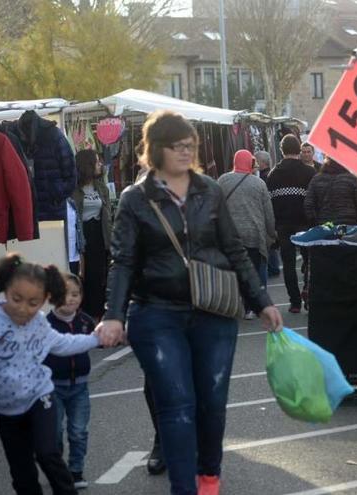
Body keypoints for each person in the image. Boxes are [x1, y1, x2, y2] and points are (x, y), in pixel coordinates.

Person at [94, 110, 283, 495]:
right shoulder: (135, 199)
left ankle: (209, 474)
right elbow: (124, 260)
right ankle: (185, 488)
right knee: (177, 406)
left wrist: (262, 300)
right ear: (155, 149)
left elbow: (233, 248)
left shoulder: (209, 190)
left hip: (213, 311)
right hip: (156, 312)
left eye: (190, 145)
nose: (185, 152)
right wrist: (113, 315)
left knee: (211, 405)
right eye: (177, 146)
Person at [0, 253, 100, 495]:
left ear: (45, 300)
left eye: (33, 303)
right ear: (5, 287)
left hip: (40, 398)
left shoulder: (38, 323)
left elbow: (61, 343)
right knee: (22, 474)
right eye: (17, 299)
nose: (23, 309)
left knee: (48, 454)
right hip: (6, 412)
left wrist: (95, 338)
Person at [45, 273, 95, 489]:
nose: (70, 299)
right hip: (52, 387)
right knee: (54, 433)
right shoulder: (45, 325)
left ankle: (75, 472)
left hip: (80, 387)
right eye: (64, 294)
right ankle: (57, 471)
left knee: (78, 430)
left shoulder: (85, 321)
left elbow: (101, 339)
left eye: (75, 294)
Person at [218, 149, 276, 320]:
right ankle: (253, 307)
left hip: (230, 234)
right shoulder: (259, 184)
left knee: (234, 271)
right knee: (255, 270)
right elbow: (268, 213)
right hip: (254, 234)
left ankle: (236, 305)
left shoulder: (222, 180)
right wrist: (271, 233)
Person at [266, 134, 316, 313]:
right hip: (305, 223)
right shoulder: (309, 173)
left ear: (281, 150)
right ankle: (308, 293)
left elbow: (269, 203)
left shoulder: (272, 174)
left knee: (288, 264)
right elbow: (314, 199)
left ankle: (295, 302)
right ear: (299, 151)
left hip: (283, 224)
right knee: (310, 261)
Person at [72, 149, 112, 319]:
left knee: (99, 277)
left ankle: (97, 316)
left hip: (99, 234)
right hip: (82, 235)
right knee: (83, 276)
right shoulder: (74, 189)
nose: (100, 164)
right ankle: (85, 315)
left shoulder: (101, 187)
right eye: (96, 162)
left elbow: (107, 214)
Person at [304, 157, 357, 226]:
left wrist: (315, 223)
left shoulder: (317, 179)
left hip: (324, 225)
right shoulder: (351, 179)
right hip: (348, 225)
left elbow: (308, 204)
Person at [255, 150, 281, 278]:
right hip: (274, 209)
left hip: (269, 210)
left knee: (269, 241)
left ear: (262, 162)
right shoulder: (271, 174)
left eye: (256, 161)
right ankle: (274, 266)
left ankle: (273, 267)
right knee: (271, 241)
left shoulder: (264, 177)